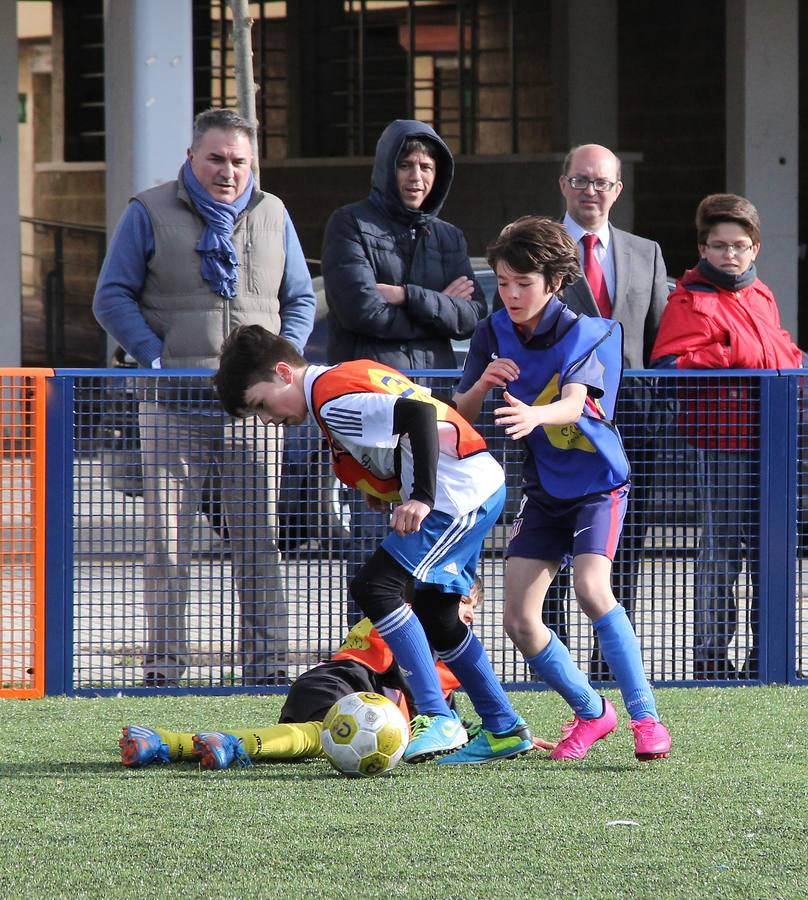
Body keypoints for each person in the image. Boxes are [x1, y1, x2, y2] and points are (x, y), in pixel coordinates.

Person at [211, 324, 532, 766]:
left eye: (261, 405)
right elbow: (402, 423)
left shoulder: (331, 400)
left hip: (459, 494)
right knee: (438, 615)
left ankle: (438, 716)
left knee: (375, 588)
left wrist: (421, 495)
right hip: (473, 485)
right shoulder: (337, 380)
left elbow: (419, 414)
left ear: (284, 372)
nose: (267, 419)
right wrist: (387, 486)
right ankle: (504, 727)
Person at [92, 108, 316, 687]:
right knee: (167, 549)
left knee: (260, 544)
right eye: (216, 158)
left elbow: (300, 300)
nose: (228, 171)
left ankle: (266, 668)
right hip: (170, 405)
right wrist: (158, 357)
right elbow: (111, 297)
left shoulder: (273, 213)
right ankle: (164, 669)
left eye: (240, 161)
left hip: (254, 412)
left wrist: (279, 367)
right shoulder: (149, 210)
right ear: (191, 157)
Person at [452, 216, 671, 762]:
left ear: (554, 282)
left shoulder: (589, 333)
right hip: (545, 488)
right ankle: (594, 713)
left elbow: (576, 401)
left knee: (593, 591)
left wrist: (533, 414)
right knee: (520, 622)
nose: (510, 294)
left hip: (599, 485)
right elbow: (461, 413)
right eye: (502, 282)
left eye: (523, 283)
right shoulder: (491, 332)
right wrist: (482, 384)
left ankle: (646, 718)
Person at [321, 119, 487, 626]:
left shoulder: (449, 236)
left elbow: (472, 315)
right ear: (386, 168)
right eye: (407, 165)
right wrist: (435, 305)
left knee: (437, 530)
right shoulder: (348, 224)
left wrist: (404, 294)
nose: (417, 176)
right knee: (379, 539)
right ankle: (368, 659)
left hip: (436, 405)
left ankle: (438, 667)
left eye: (428, 167)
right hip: (377, 411)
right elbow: (359, 311)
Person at [120, 581, 556, 769]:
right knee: (315, 737)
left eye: (473, 606)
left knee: (306, 740)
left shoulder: (398, 622)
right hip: (345, 686)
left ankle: (162, 743)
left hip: (328, 683)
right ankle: (228, 742)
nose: (469, 613)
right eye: (463, 603)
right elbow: (432, 708)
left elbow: (440, 711)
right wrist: (493, 731)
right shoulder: (419, 635)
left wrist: (488, 731)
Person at [650, 194, 802, 680]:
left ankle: (768, 654)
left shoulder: (763, 295)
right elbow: (668, 367)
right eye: (718, 246)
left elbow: (784, 356)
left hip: (773, 440)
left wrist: (751, 352)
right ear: (702, 248)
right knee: (722, 549)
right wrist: (736, 350)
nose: (729, 255)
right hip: (720, 442)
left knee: (770, 548)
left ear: (754, 248)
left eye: (739, 245)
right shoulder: (688, 298)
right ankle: (710, 656)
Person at [556, 143, 670, 678]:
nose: (591, 192)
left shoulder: (644, 252)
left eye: (602, 183)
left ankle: (609, 660)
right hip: (556, 421)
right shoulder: (537, 246)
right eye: (581, 181)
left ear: (618, 190)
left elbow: (660, 338)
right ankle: (548, 657)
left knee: (623, 539)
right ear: (563, 184)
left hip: (631, 425)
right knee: (553, 539)